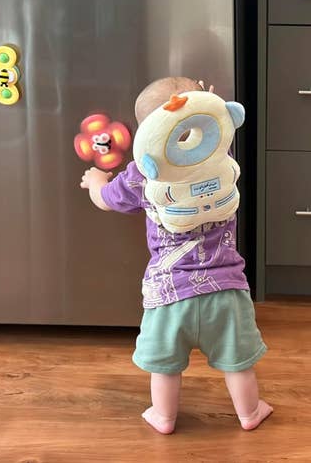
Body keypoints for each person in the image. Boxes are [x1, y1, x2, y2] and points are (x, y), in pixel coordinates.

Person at [80, 77, 273, 434]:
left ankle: (164, 417)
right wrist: (207, 105)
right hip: (226, 289)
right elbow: (217, 126)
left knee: (165, 367)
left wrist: (96, 182)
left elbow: (106, 200)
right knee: (238, 365)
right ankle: (249, 412)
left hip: (169, 294)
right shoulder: (220, 156)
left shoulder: (141, 174)